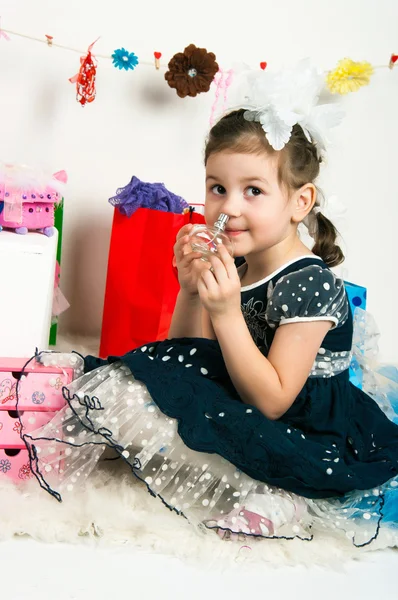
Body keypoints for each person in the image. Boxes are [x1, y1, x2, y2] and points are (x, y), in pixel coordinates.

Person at [24, 66, 398, 549]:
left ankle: (282, 493)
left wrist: (224, 312)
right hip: (245, 393)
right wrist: (192, 291)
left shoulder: (309, 282)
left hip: (302, 424)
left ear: (299, 202)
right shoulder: (241, 264)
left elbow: (274, 400)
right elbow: (188, 353)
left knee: (174, 410)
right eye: (217, 188)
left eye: (254, 191)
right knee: (144, 378)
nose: (229, 207)